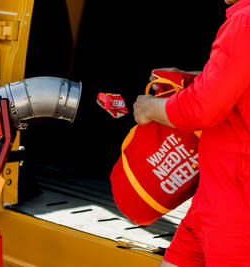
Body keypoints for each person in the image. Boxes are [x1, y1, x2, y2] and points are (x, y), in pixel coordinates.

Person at [133, 0, 250, 266]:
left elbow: (202, 109)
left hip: (235, 210)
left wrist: (150, 108)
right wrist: (197, 78)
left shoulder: (245, 22)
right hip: (211, 201)